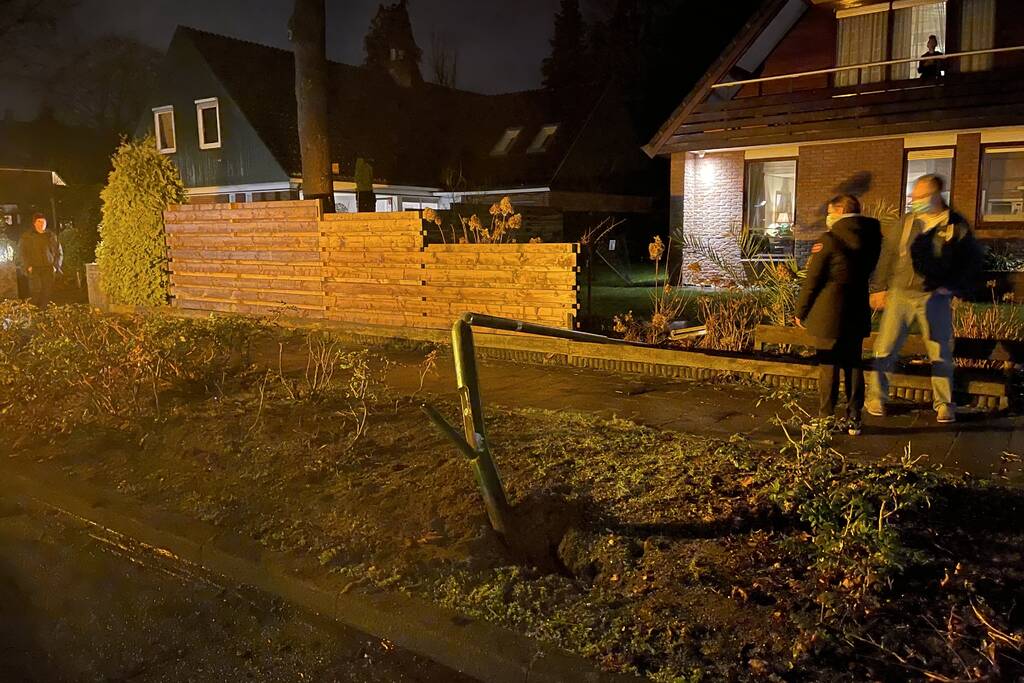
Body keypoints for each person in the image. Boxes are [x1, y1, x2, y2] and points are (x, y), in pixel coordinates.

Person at [867, 175, 981, 424]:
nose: (913, 201)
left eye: (919, 197)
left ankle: (944, 404)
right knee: (885, 348)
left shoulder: (956, 226)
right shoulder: (907, 222)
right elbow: (888, 254)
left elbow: (969, 262)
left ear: (936, 196)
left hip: (934, 297)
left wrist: (952, 287)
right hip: (900, 293)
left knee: (940, 350)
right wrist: (878, 288)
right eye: (913, 196)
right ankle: (876, 396)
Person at [795, 195, 882, 436]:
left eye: (830, 212)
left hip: (829, 311)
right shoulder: (872, 236)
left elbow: (813, 279)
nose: (827, 217)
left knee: (828, 364)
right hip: (856, 308)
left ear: (840, 210)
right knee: (853, 363)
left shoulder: (829, 240)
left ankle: (826, 417)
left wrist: (801, 311)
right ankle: (854, 417)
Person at [17, 213, 62, 307]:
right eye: (39, 221)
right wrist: (27, 266)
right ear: (34, 223)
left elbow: (59, 252)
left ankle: (44, 311)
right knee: (35, 291)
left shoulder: (51, 236)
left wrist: (56, 266)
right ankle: (35, 311)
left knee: (47, 291)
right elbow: (22, 253)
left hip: (48, 268)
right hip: (34, 268)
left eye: (43, 222)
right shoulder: (27, 237)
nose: (41, 224)